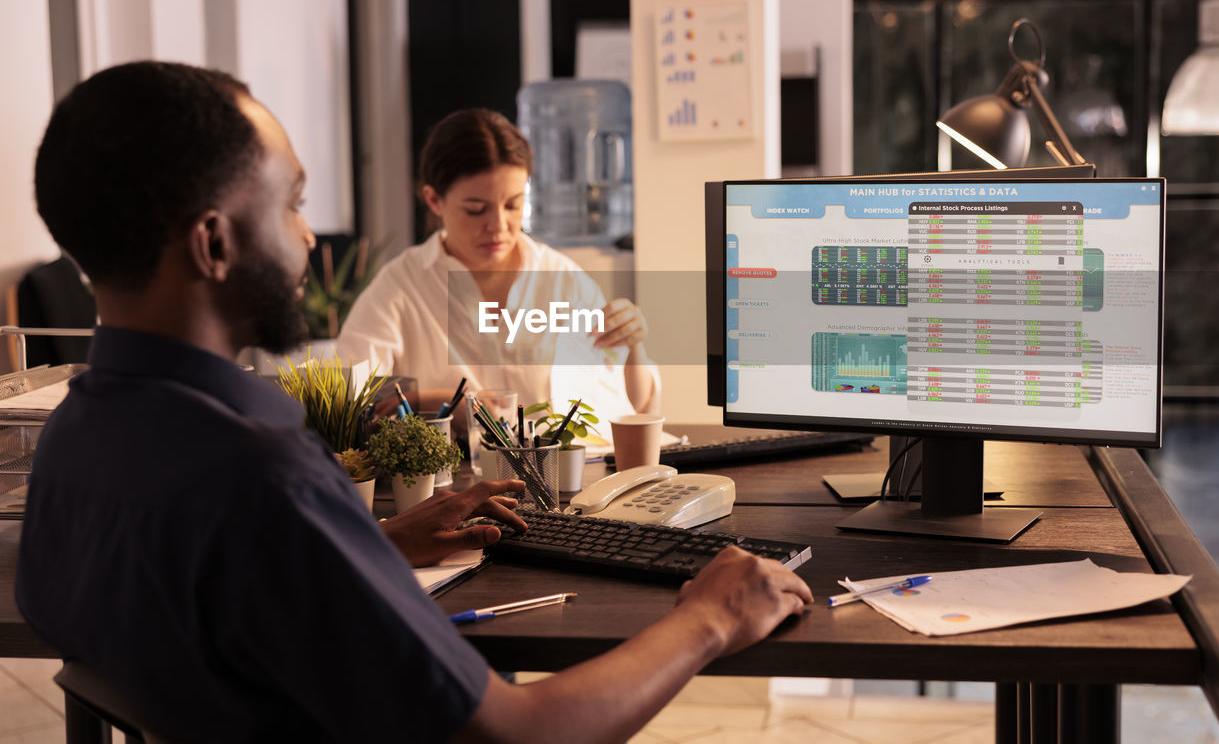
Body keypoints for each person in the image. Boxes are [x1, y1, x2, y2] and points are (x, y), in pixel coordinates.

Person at [16, 62, 813, 742]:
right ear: (214, 242)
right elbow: (515, 731)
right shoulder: (264, 477)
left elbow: (222, 599)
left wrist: (380, 541)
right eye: (291, 203)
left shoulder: (72, 440)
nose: (307, 240)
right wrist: (710, 617)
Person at [336, 109, 659, 431]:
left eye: (513, 205)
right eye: (476, 210)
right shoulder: (400, 287)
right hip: (453, 478)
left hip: (564, 473)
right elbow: (350, 404)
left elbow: (639, 408)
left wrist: (634, 343)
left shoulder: (561, 278)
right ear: (434, 200)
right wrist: (442, 401)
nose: (499, 226)